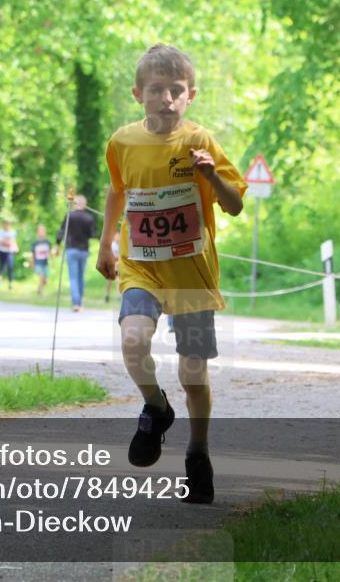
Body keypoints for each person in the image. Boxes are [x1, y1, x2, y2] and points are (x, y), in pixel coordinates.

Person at [96, 44, 246, 504]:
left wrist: (212, 177)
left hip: (192, 274)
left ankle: (198, 455)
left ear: (191, 94)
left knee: (193, 372)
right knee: (133, 339)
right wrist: (105, 243)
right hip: (141, 267)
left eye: (176, 91)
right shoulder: (123, 142)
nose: (166, 99)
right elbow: (118, 192)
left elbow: (235, 204)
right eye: (156, 90)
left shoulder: (200, 142)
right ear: (138, 93)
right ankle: (156, 408)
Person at [58, 195, 97, 312]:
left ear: (75, 204)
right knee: (81, 277)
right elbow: (92, 235)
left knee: (73, 277)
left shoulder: (69, 216)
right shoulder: (89, 218)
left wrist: (57, 244)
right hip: (84, 250)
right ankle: (79, 303)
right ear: (84, 205)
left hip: (72, 249)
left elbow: (61, 232)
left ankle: (75, 303)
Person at [31, 224, 52, 295]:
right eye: (40, 231)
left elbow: (49, 253)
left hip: (45, 263)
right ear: (37, 232)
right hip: (38, 263)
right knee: (42, 278)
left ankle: (39, 289)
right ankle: (40, 292)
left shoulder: (47, 242)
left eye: (43, 231)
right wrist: (32, 263)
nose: (42, 232)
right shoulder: (35, 243)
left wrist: (51, 256)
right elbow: (33, 254)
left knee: (45, 280)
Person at [105, 236, 120, 303]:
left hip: (118, 265)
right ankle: (107, 294)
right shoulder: (112, 245)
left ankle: (118, 296)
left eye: (119, 236)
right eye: (117, 236)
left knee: (118, 280)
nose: (118, 237)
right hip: (112, 265)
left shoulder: (121, 245)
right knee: (109, 281)